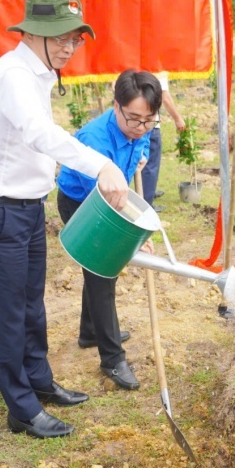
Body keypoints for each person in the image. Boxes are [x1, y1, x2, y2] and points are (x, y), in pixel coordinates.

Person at [0, 0, 130, 439]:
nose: (68, 48)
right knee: (7, 314)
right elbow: (39, 134)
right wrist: (101, 165)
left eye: (75, 39)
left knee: (31, 306)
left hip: (27, 208)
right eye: (59, 38)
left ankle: (39, 381)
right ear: (31, 33)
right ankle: (21, 409)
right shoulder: (14, 75)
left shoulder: (39, 74)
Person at [56, 70, 163, 391]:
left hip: (111, 199)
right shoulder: (95, 140)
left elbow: (141, 146)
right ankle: (112, 360)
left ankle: (90, 331)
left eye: (149, 121)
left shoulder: (139, 127)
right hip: (83, 203)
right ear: (116, 106)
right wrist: (134, 237)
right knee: (103, 272)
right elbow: (106, 202)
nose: (140, 128)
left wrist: (139, 155)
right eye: (133, 119)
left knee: (98, 272)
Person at [141, 71, 185, 212]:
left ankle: (148, 191)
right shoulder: (159, 70)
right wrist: (177, 118)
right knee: (150, 164)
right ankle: (147, 204)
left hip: (134, 122)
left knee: (142, 161)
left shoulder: (136, 64)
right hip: (150, 124)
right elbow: (164, 97)